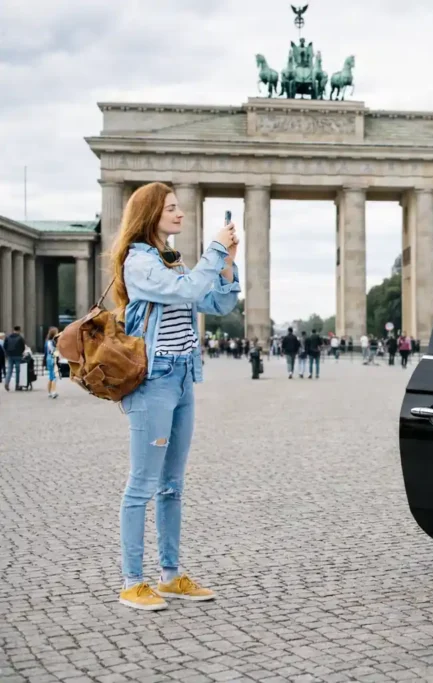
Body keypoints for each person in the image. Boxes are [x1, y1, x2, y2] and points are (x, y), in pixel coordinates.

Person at [111, 181, 240, 610]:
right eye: (171, 208)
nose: (181, 213)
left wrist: (226, 268)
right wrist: (214, 251)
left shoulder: (173, 261)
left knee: (172, 485)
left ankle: (169, 575)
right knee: (142, 483)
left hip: (184, 375)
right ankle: (133, 580)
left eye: (179, 207)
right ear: (150, 215)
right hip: (155, 380)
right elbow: (183, 291)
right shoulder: (138, 262)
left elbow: (216, 306)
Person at [3, 325, 26, 391]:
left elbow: (5, 346)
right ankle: (17, 385)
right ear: (19, 330)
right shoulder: (20, 338)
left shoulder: (8, 337)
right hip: (18, 355)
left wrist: (7, 353)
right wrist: (21, 352)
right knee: (18, 371)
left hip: (10, 355)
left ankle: (7, 383)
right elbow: (23, 347)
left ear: (13, 330)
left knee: (9, 370)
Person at [44, 326, 60, 398]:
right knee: (54, 377)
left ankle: (49, 392)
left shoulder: (47, 342)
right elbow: (55, 351)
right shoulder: (53, 342)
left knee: (50, 377)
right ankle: (53, 392)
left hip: (48, 358)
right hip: (53, 358)